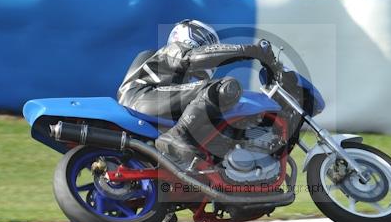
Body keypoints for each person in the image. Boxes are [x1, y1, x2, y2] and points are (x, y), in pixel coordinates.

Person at [117, 19, 277, 162]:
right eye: (207, 44)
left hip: (147, 103)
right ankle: (178, 135)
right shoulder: (171, 51)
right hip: (142, 98)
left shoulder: (173, 76)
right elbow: (190, 57)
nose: (209, 48)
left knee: (211, 115)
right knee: (224, 86)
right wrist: (249, 51)